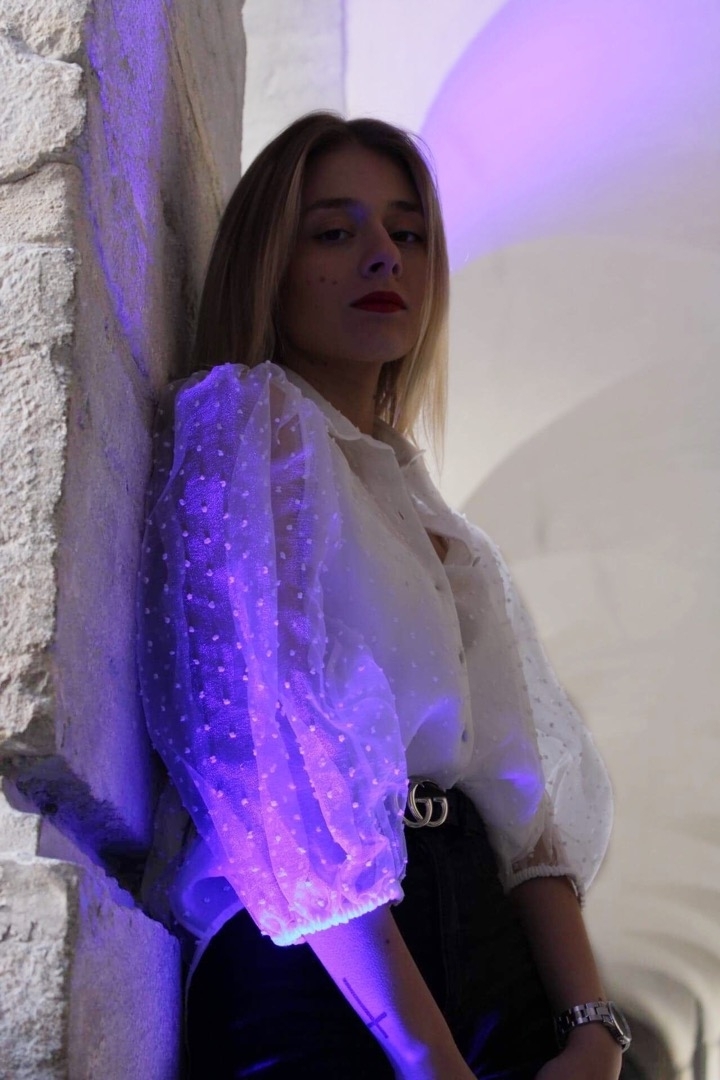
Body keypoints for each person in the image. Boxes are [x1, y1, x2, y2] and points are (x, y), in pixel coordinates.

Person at [137, 113, 628, 1079]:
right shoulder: (249, 425)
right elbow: (269, 758)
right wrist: (424, 1054)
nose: (383, 257)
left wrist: (593, 1030)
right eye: (335, 231)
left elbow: (521, 809)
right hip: (324, 954)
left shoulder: (440, 525)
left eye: (408, 233)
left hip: (485, 945)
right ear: (269, 264)